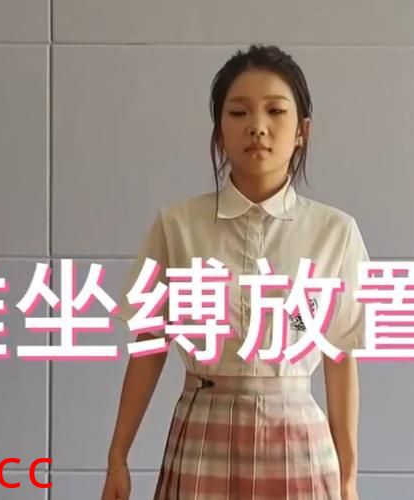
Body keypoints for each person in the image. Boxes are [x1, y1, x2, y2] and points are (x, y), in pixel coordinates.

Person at [100, 44, 369, 500]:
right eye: (239, 112)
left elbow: (340, 356)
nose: (257, 126)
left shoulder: (335, 233)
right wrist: (117, 457)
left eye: (275, 111)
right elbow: (149, 345)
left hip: (297, 436)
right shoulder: (177, 225)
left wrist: (348, 477)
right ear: (219, 131)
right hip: (202, 430)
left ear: (302, 131)